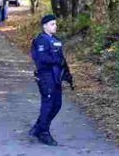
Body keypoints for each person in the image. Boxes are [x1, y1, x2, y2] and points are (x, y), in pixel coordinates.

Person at [29, 14, 66, 146]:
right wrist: (56, 60)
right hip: (45, 76)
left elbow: (62, 59)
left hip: (56, 77)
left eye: (55, 24)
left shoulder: (55, 40)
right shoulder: (41, 40)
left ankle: (39, 127)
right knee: (48, 104)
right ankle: (43, 132)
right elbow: (41, 58)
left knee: (57, 105)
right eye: (52, 24)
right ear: (45, 26)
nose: (55, 26)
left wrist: (66, 74)